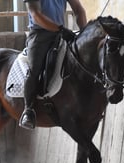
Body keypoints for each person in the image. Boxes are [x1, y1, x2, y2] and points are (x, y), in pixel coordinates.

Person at [19, 0, 87, 130]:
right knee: (34, 69)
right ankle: (28, 110)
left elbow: (78, 9)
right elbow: (36, 15)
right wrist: (60, 29)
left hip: (61, 34)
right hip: (40, 34)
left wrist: (84, 32)